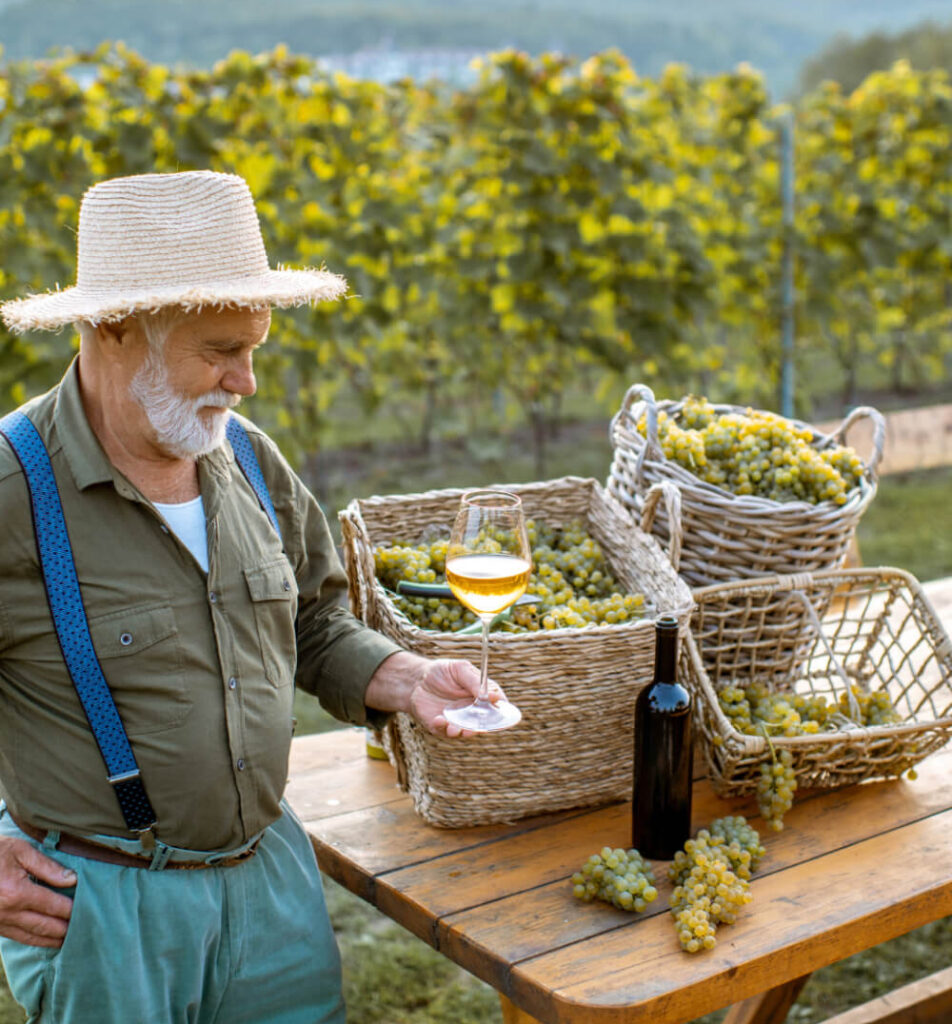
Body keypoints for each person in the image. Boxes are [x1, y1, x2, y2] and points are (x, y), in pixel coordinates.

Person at [0, 169, 502, 1023]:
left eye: (254, 349)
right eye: (222, 351)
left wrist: (403, 678)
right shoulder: (14, 488)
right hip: (108, 911)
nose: (247, 381)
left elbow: (312, 619)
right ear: (114, 326)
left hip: (271, 881)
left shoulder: (248, 460)